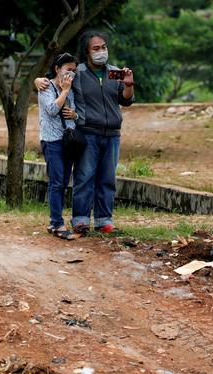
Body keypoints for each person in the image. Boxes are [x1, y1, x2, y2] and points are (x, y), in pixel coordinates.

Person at [35, 31, 135, 234]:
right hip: (87, 132)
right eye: (95, 48)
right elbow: (55, 80)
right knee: (84, 177)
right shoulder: (78, 72)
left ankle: (104, 220)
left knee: (107, 178)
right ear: (86, 52)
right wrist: (37, 80)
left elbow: (126, 100)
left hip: (112, 134)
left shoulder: (114, 73)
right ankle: (80, 220)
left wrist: (129, 84)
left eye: (103, 47)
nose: (101, 51)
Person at [38, 52, 80, 240]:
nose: (71, 74)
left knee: (63, 182)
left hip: (68, 141)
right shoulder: (46, 87)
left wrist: (75, 115)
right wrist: (64, 91)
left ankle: (54, 221)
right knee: (56, 182)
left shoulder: (72, 88)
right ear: (57, 69)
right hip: (52, 140)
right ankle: (57, 223)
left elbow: (76, 111)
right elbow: (52, 110)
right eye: (68, 69)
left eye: (74, 70)